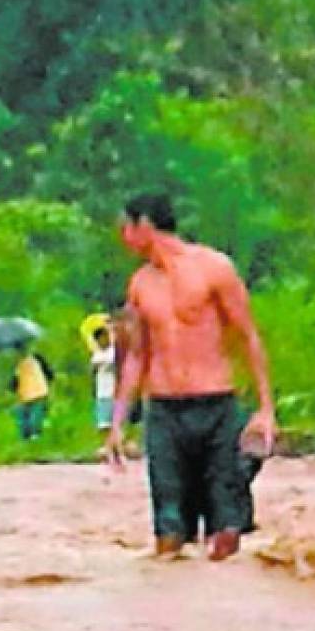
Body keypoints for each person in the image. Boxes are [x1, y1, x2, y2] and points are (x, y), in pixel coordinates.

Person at [105, 192, 277, 561]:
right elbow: (137, 355)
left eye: (126, 228)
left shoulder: (214, 268)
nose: (122, 237)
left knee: (227, 529)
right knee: (169, 532)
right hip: (164, 411)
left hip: (216, 405)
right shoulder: (140, 285)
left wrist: (265, 409)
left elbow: (248, 336)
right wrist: (117, 422)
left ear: (144, 226)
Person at [10, 344, 54, 440]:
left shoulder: (36, 359)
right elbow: (14, 383)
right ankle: (28, 437)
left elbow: (49, 372)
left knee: (34, 417)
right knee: (25, 417)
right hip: (27, 394)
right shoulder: (18, 365)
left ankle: (34, 436)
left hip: (37, 392)